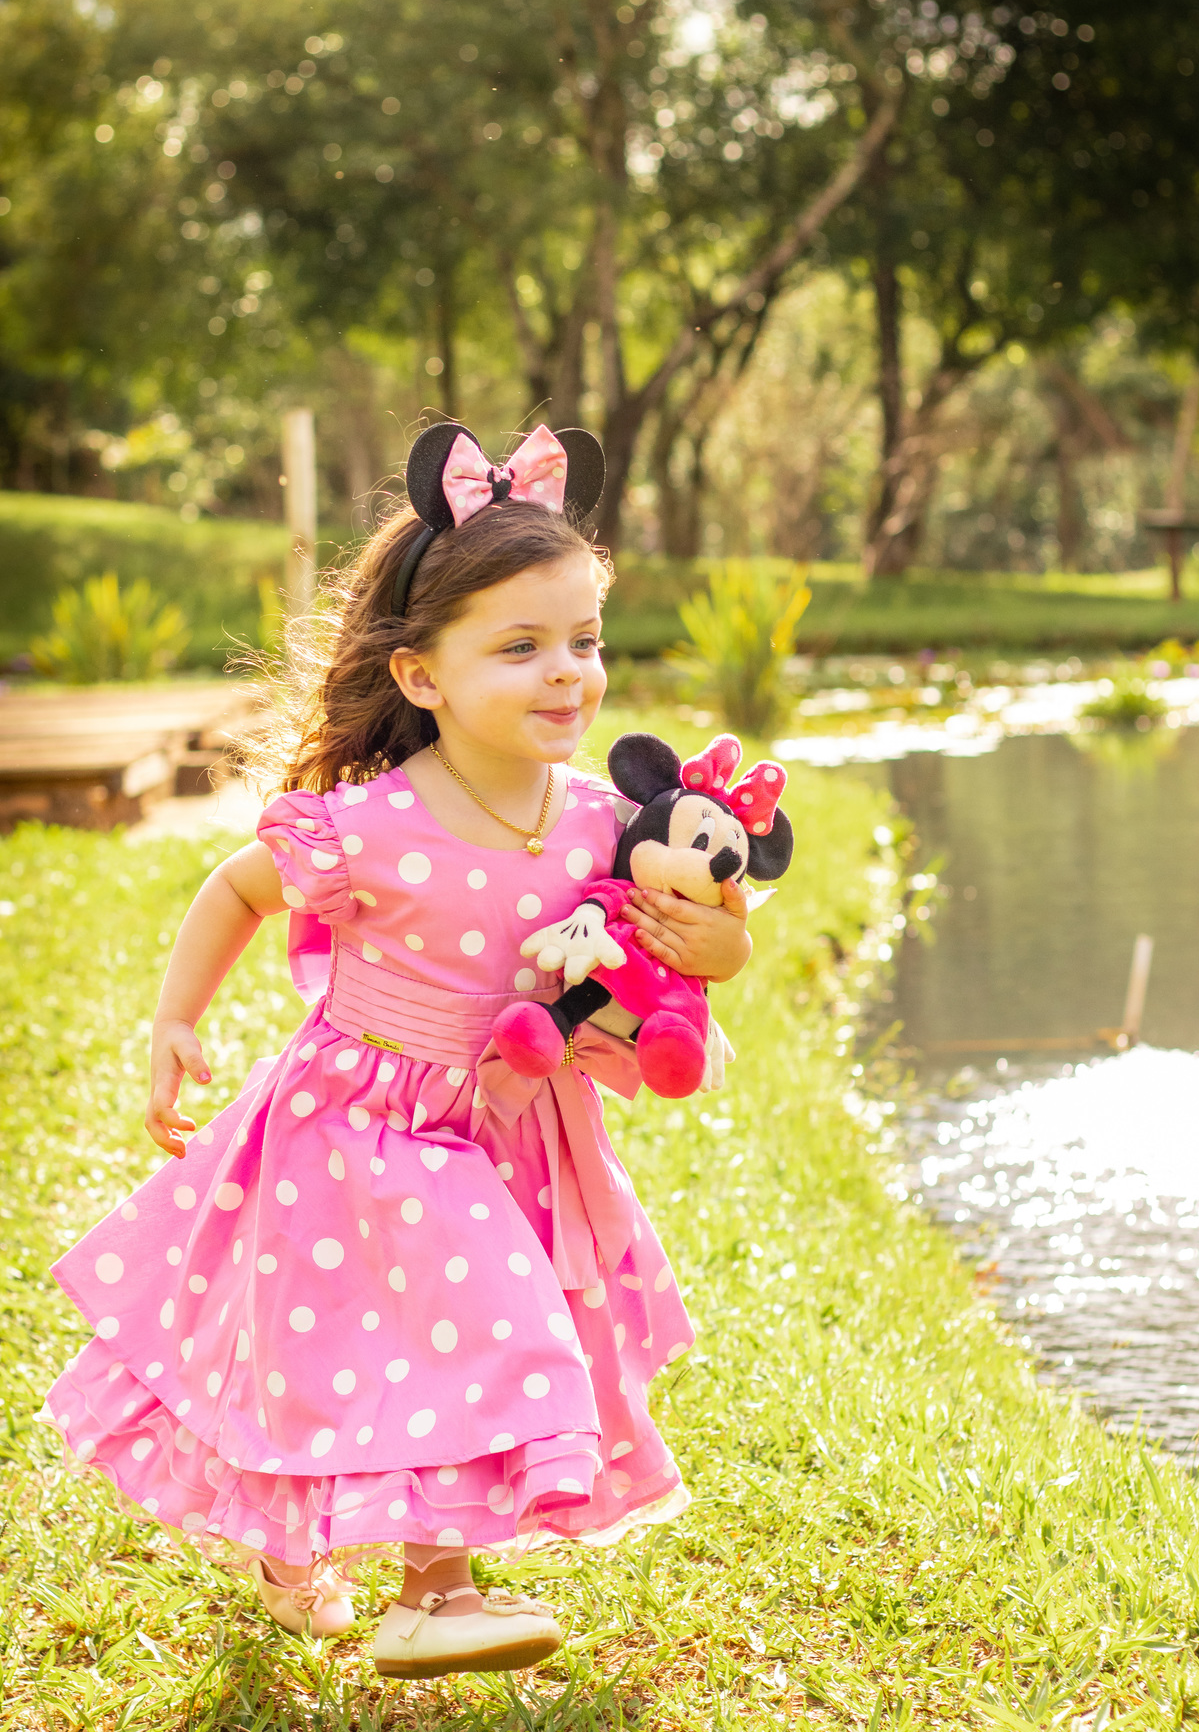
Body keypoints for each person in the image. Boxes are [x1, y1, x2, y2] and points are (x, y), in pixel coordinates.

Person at [39, 423, 753, 1680]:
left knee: (396, 1355)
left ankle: (314, 1555)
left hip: (516, 1131)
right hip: (361, 1124)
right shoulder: (369, 825)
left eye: (584, 643)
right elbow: (236, 891)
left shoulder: (602, 822)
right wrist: (175, 1023)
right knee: (492, 1330)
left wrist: (716, 945)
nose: (567, 677)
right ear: (420, 676)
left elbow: (692, 949)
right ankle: (434, 1592)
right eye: (521, 647)